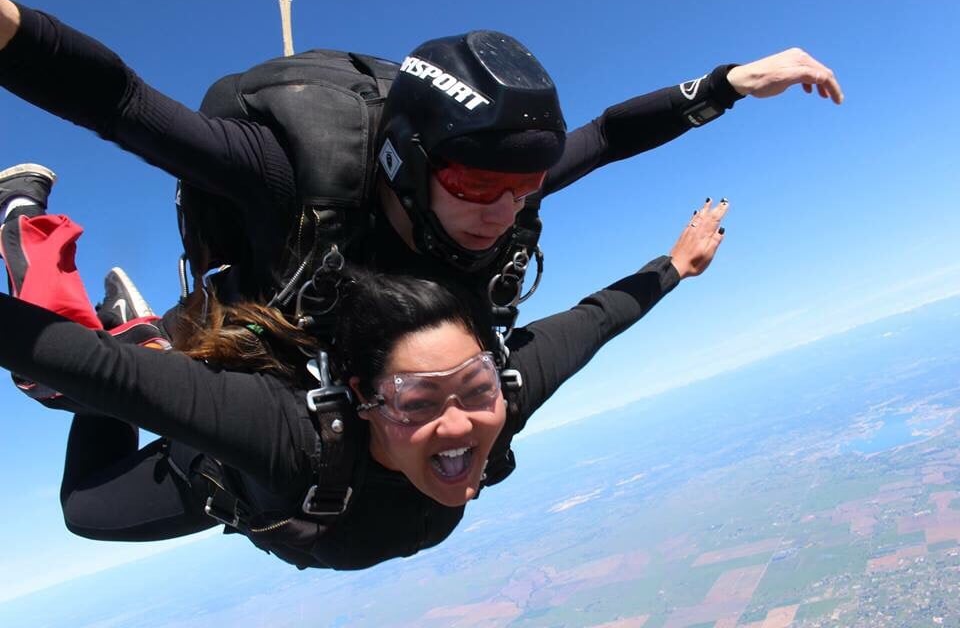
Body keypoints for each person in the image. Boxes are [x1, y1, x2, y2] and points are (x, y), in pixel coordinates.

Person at [0, 162, 727, 569]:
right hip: (228, 462)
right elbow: (95, 373)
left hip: (264, 469)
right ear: (363, 399)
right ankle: (30, 239)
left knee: (112, 387)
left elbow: (595, 322)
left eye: (473, 385)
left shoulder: (495, 400)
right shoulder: (287, 437)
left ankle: (151, 346)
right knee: (80, 471)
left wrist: (675, 267)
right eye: (417, 400)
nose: (457, 421)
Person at [0, 0, 841, 318]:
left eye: (525, 188)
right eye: (478, 182)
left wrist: (734, 80)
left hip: (357, 333)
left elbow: (613, 137)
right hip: (263, 315)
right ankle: (26, 234)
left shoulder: (506, 193)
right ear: (404, 162)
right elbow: (122, 103)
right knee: (89, 472)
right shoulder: (283, 174)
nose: (506, 209)